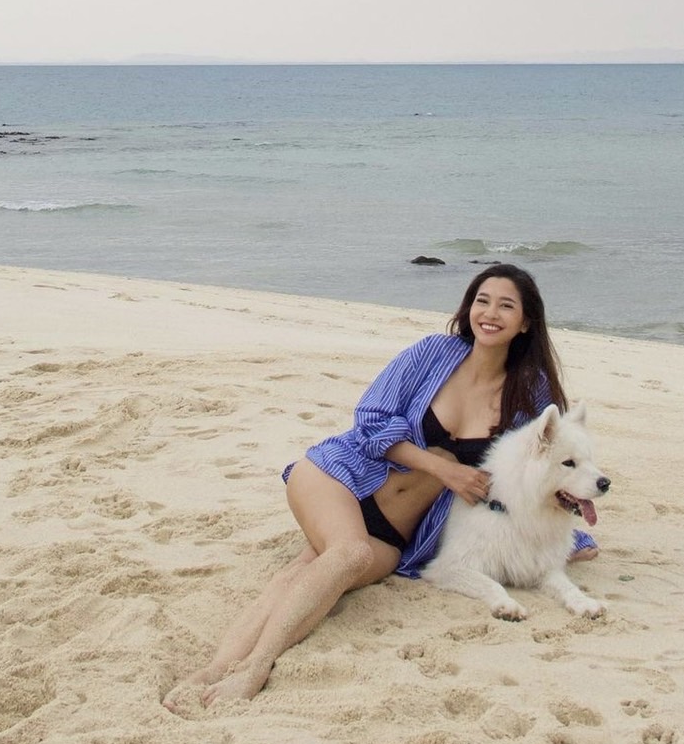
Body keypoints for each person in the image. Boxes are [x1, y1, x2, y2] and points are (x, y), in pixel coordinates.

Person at [163, 264, 597, 712]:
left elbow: (536, 473)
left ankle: (219, 669)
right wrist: (444, 469)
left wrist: (567, 534)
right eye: (482, 301)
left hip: (400, 534)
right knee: (347, 554)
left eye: (506, 306)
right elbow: (371, 420)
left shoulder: (530, 393)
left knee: (306, 572)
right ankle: (247, 670)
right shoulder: (434, 353)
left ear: (526, 322)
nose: (490, 313)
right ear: (469, 307)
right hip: (343, 479)